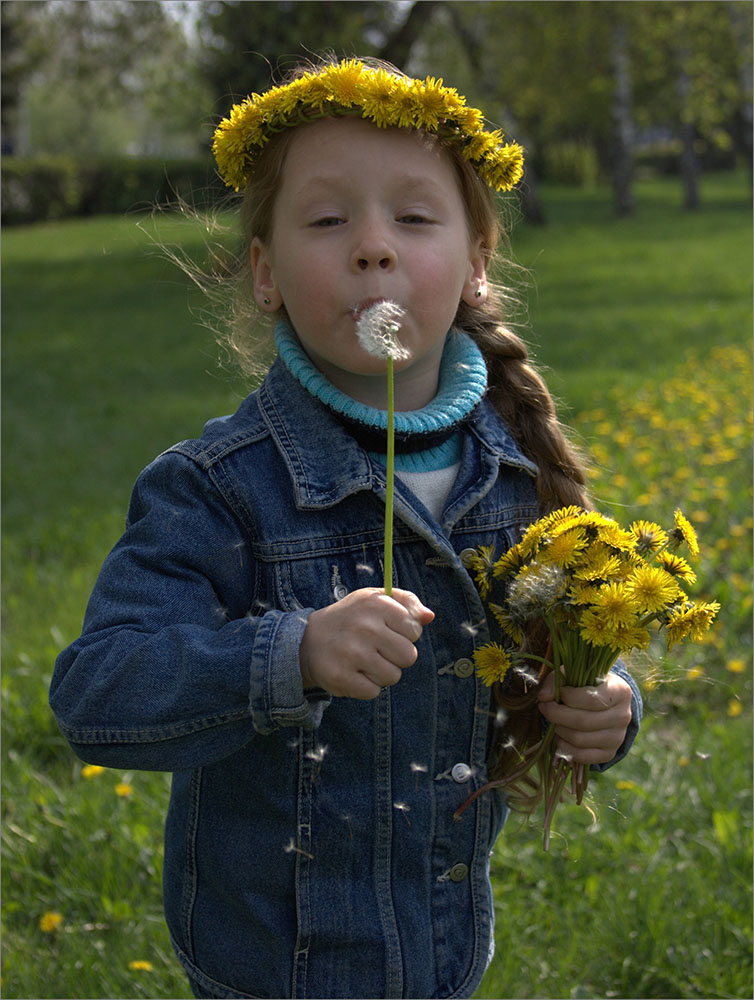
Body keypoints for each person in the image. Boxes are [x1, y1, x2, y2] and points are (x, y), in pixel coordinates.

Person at [51, 58, 642, 1000]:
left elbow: (562, 655)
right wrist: (292, 654)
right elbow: (96, 696)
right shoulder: (216, 491)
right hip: (273, 966)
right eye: (329, 221)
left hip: (443, 950)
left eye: (413, 217)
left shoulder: (521, 473)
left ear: (478, 264)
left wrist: (606, 705)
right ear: (266, 273)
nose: (373, 248)